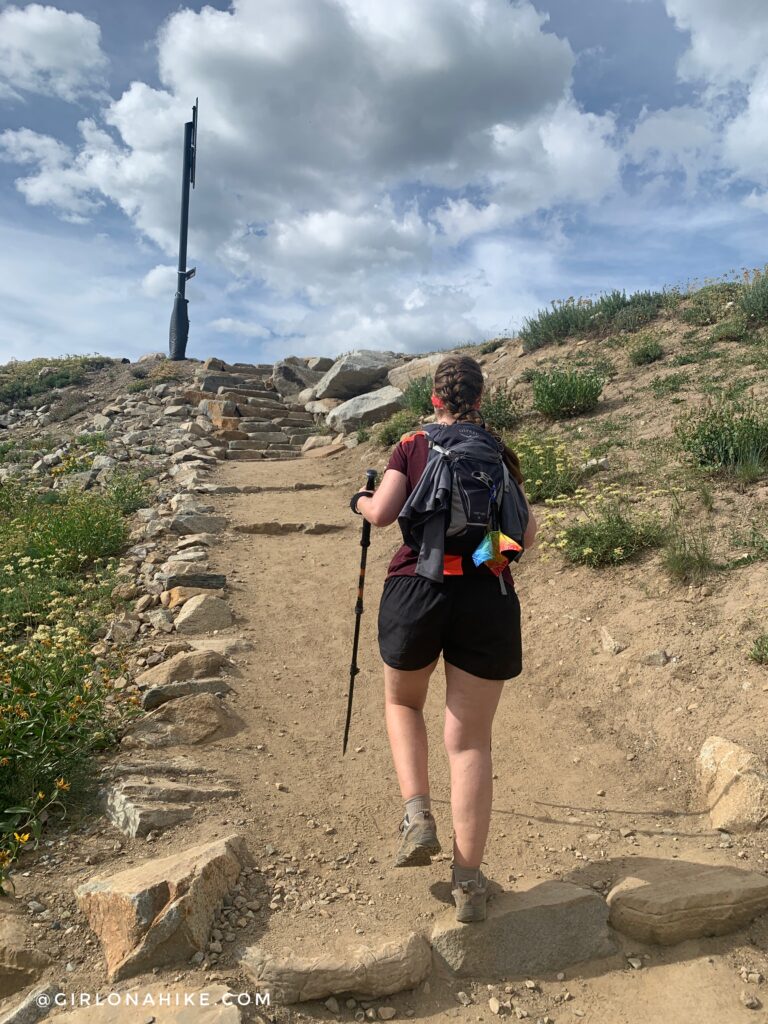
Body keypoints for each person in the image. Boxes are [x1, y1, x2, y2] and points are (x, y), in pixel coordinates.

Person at [351, 354, 537, 923]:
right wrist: (481, 562)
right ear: (481, 398)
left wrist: (357, 501)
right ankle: (469, 883)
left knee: (404, 702)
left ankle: (417, 817)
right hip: (486, 598)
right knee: (471, 740)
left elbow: (382, 513)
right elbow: (525, 532)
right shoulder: (500, 452)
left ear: (434, 399)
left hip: (416, 588)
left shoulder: (411, 443)